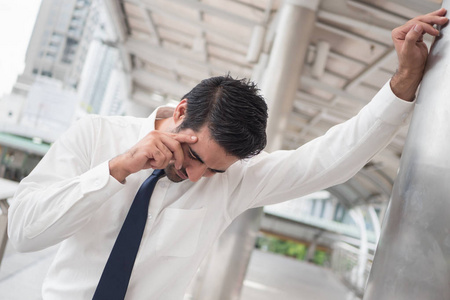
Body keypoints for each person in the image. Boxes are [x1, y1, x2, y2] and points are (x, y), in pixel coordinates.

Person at [7, 8, 448, 300]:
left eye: (215, 171)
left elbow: (330, 158)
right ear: (181, 112)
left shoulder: (232, 181)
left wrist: (405, 80)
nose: (198, 177)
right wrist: (115, 170)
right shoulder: (94, 136)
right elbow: (26, 233)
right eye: (196, 158)